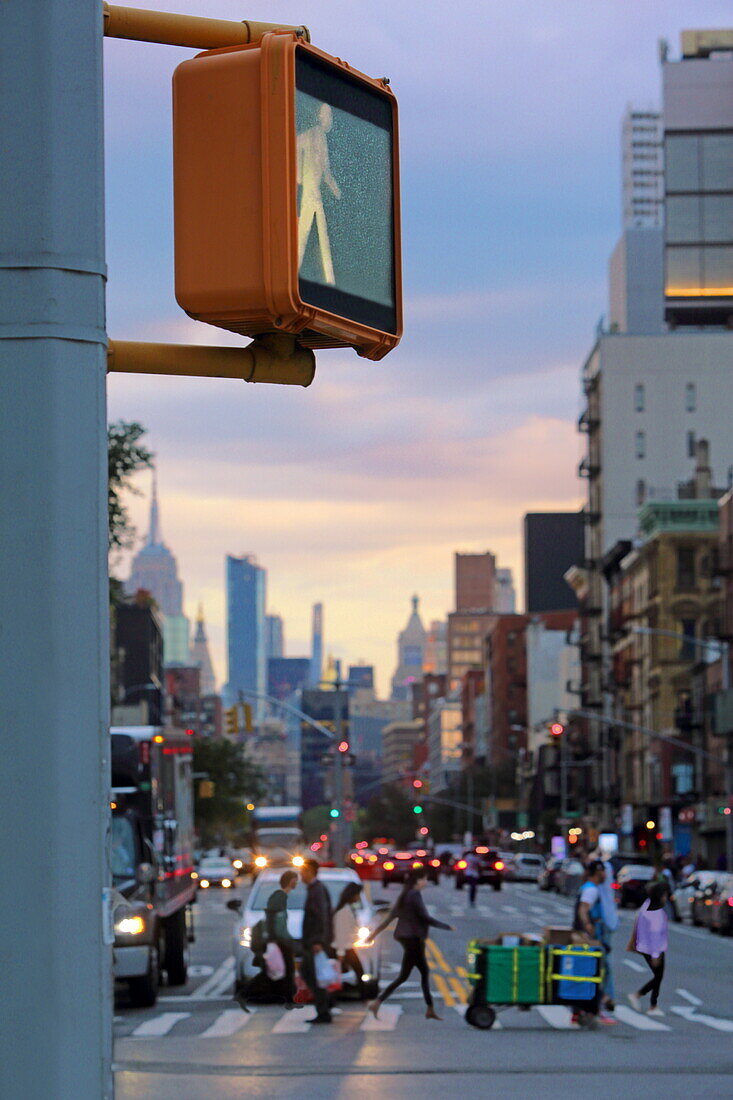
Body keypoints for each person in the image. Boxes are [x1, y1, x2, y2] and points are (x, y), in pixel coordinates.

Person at [367, 868, 454, 1020]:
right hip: (413, 939)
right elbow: (425, 917)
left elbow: (389, 918)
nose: (425, 882)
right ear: (418, 880)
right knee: (409, 975)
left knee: (417, 973)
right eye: (424, 879)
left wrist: (373, 935)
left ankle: (429, 1009)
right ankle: (379, 1003)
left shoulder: (405, 895)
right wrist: (446, 926)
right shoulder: (414, 895)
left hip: (407, 938)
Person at [573, 860, 611, 1026]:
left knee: (587, 972)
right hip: (587, 938)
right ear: (598, 872)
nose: (606, 875)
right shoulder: (591, 889)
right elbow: (583, 910)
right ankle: (595, 1006)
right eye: (604, 872)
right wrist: (588, 928)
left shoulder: (588, 887)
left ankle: (583, 1010)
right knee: (599, 972)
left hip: (585, 936)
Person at [300, 858, 335, 1024]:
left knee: (313, 975)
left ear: (310, 872)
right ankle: (326, 1003)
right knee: (309, 973)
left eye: (303, 872)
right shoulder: (313, 889)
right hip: (311, 940)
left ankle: (324, 1009)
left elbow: (322, 917)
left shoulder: (317, 890)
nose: (300, 875)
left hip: (315, 942)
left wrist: (319, 941)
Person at [627, 881, 669, 1017]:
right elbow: (656, 934)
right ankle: (647, 1001)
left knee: (658, 976)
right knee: (658, 976)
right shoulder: (656, 913)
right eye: (664, 895)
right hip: (654, 948)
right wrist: (656, 954)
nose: (666, 897)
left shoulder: (647, 906)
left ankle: (651, 1003)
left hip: (645, 946)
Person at [265, 870, 298, 1007]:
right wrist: (285, 940)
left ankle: (285, 996)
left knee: (284, 969)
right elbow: (277, 921)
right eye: (295, 880)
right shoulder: (280, 897)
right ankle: (287, 997)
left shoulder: (279, 896)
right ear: (291, 881)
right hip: (281, 941)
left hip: (279, 939)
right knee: (286, 969)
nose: (297, 883)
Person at [333, 881, 367, 997]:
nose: (358, 897)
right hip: (343, 948)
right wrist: (341, 952)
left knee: (353, 972)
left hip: (346, 947)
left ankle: (362, 994)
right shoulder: (344, 911)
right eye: (358, 894)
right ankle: (363, 995)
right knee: (358, 971)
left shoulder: (348, 909)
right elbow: (341, 933)